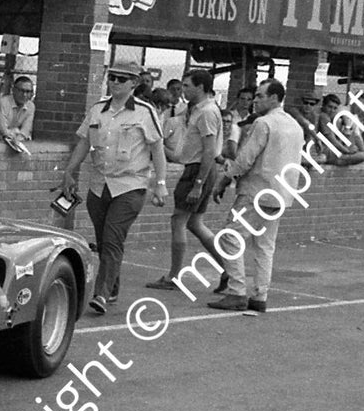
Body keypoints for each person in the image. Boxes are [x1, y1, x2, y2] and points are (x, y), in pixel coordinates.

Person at [60, 60, 168, 315]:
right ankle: (114, 287)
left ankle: (101, 293)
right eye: (112, 77)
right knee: (105, 239)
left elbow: (157, 149)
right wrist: (69, 171)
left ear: (134, 83)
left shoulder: (144, 112)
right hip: (99, 184)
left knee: (112, 237)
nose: (115, 82)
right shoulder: (98, 109)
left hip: (130, 185)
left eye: (122, 78)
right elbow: (84, 142)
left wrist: (160, 184)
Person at [207, 78, 305, 313]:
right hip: (281, 193)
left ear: (274, 97)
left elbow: (245, 159)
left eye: (260, 96)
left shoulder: (263, 123)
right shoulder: (295, 126)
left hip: (257, 191)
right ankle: (260, 294)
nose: (256, 100)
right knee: (264, 245)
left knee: (229, 237)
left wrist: (224, 179)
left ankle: (237, 290)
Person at [146, 69, 224, 293]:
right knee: (194, 223)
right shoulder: (197, 110)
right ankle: (228, 267)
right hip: (198, 169)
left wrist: (198, 184)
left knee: (178, 221)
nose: (184, 91)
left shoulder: (207, 112)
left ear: (200, 87)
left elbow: (209, 150)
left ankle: (174, 276)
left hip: (197, 170)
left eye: (188, 86)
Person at [0, 75, 35, 153]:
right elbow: (1, 131)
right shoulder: (3, 102)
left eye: (28, 91)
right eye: (21, 90)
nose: (24, 95)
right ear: (13, 90)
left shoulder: (31, 106)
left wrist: (18, 138)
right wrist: (15, 132)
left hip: (14, 141)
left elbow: (25, 131)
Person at [315, 93, 364, 165]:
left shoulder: (332, 118)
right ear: (323, 106)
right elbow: (332, 140)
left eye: (335, 108)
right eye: (330, 107)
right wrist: (347, 151)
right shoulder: (324, 117)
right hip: (329, 153)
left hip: (334, 151)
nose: (332, 110)